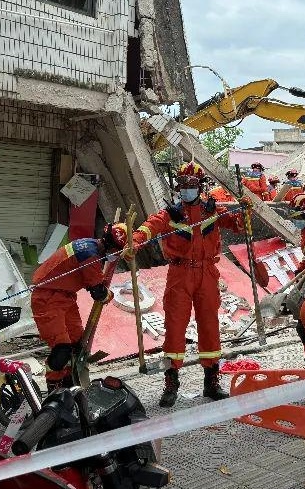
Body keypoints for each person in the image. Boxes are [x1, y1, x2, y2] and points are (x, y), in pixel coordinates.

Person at [128, 161, 248, 407]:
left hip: (207, 273)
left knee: (210, 325)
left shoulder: (213, 211)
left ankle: (211, 382)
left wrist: (246, 210)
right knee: (174, 326)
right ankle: (171, 383)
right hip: (179, 275)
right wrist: (134, 242)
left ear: (200, 186)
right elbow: (148, 228)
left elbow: (238, 225)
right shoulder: (169, 215)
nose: (185, 190)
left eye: (191, 185)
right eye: (182, 185)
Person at [33, 223, 127, 391]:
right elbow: (98, 293)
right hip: (47, 298)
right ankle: (54, 388)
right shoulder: (90, 256)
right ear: (112, 247)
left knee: (77, 344)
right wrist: (109, 295)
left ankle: (69, 384)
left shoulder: (90, 245)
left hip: (65, 297)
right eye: (118, 252)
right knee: (62, 349)